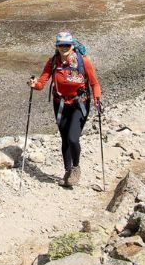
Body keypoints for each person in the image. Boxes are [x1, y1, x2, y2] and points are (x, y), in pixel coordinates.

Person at [28, 30, 102, 187]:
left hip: (79, 103)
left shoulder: (84, 62)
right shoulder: (53, 62)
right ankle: (67, 171)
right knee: (64, 139)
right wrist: (34, 85)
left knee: (73, 138)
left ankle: (76, 168)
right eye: (61, 45)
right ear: (57, 46)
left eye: (67, 45)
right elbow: (42, 82)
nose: (64, 47)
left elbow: (94, 83)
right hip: (60, 104)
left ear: (72, 45)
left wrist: (97, 99)